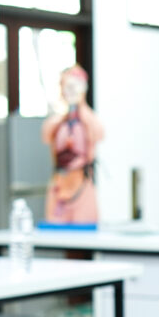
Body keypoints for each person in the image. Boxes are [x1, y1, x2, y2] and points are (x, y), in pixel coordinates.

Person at [41, 65, 104, 224]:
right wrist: (64, 114)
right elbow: (46, 135)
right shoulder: (56, 123)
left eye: (76, 86)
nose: (71, 90)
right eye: (67, 86)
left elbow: (99, 133)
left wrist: (81, 105)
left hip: (81, 188)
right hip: (59, 189)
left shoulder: (89, 121)